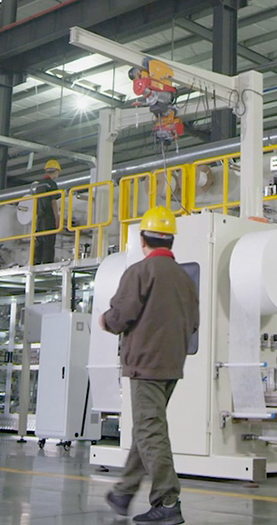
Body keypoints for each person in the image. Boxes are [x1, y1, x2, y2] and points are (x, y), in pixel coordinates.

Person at [101, 206, 199, 525]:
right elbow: (194, 323)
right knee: (147, 426)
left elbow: (121, 316)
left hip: (145, 365)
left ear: (143, 239)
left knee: (150, 429)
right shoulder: (185, 278)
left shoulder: (140, 272)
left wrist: (105, 320)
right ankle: (124, 492)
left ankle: (167, 501)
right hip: (172, 364)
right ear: (170, 240)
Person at [31, 159, 61, 265]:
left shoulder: (39, 185)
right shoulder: (51, 184)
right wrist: (57, 218)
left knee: (39, 241)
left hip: (39, 218)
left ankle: (36, 262)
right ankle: (47, 263)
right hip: (49, 217)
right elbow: (53, 202)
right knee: (49, 241)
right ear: (56, 171)